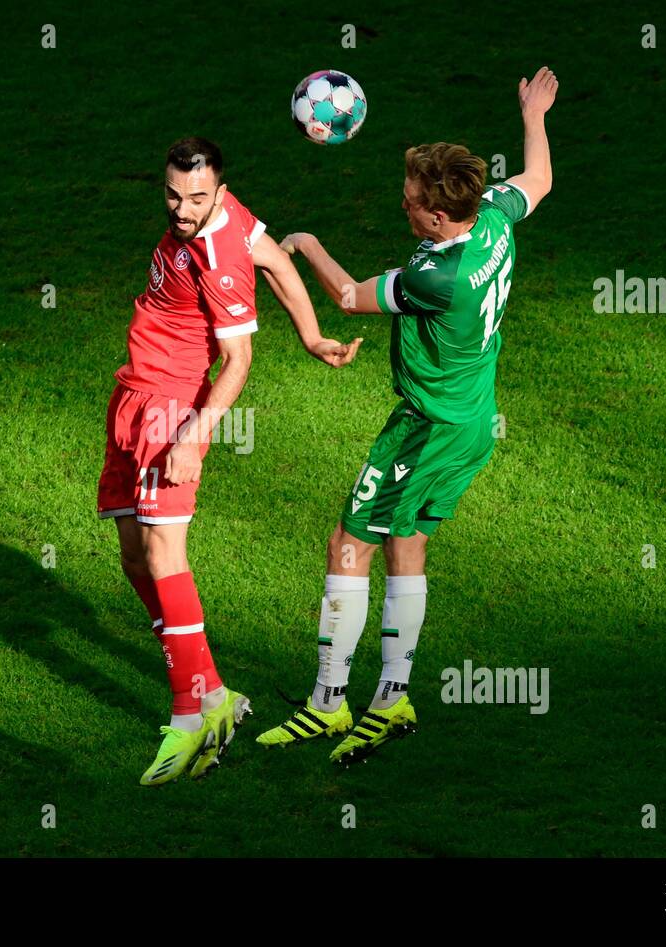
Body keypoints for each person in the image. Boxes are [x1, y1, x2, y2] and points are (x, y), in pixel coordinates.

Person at [258, 67, 559, 765]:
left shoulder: (435, 275)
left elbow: (345, 297)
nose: (403, 204)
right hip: (472, 423)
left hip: (423, 428)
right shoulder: (492, 219)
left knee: (348, 543)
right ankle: (391, 698)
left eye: (412, 201)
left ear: (437, 216)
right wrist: (534, 114)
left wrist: (301, 244)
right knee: (407, 546)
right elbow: (538, 177)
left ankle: (328, 703)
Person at [98, 136, 362, 785]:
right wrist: (309, 332)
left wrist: (194, 432)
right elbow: (273, 259)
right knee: (134, 554)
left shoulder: (216, 256)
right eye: (172, 194)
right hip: (132, 393)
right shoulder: (229, 215)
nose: (181, 209)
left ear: (215, 191)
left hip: (172, 407)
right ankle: (213, 692)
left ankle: (190, 715)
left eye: (194, 199)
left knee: (165, 554)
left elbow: (239, 358)